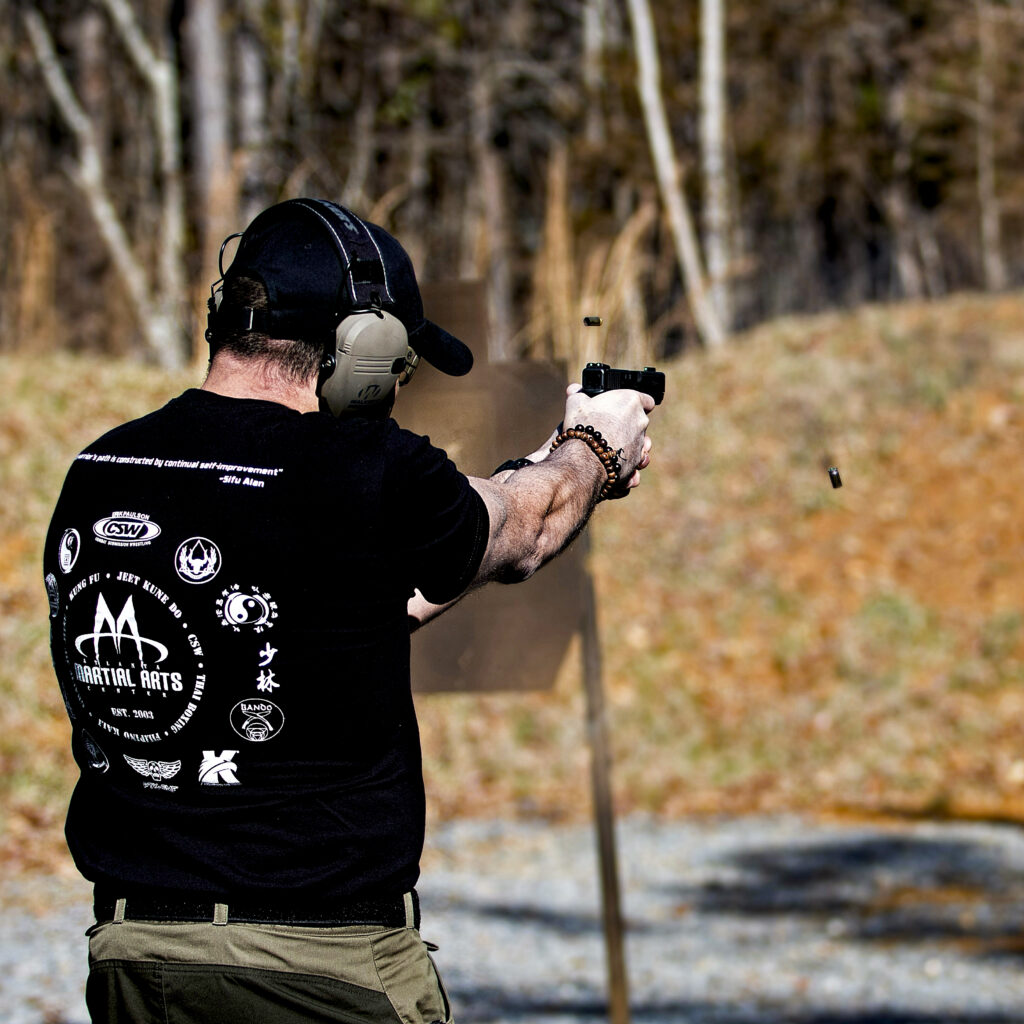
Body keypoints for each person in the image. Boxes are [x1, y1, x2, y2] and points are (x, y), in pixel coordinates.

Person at [43, 198, 655, 1024]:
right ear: (363, 349)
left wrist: (536, 465)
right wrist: (595, 447)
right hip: (323, 969)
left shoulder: (102, 468)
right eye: (398, 364)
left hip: (135, 962)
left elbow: (329, 620)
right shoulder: (365, 467)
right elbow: (530, 527)